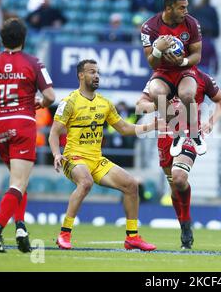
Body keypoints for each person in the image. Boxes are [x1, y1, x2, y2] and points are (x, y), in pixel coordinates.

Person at [48, 59, 158, 251]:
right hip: (73, 158)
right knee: (86, 182)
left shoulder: (105, 103)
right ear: (81, 75)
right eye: (91, 72)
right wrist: (57, 154)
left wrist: (151, 126)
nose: (96, 76)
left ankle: (132, 237)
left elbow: (124, 128)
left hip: (96, 160)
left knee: (131, 185)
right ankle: (64, 234)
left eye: (97, 72)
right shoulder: (69, 102)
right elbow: (54, 132)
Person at [0, 18, 56, 253]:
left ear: (1, 39)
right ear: (24, 40)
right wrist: (39, 102)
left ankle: (20, 227)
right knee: (18, 182)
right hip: (22, 123)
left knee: (18, 181)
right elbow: (50, 96)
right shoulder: (33, 62)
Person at [136, 68, 221, 249]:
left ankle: (186, 225)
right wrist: (158, 104)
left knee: (179, 177)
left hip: (189, 134)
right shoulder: (160, 77)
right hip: (165, 137)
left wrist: (211, 121)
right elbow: (140, 105)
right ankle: (185, 225)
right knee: (174, 185)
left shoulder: (202, 78)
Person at [140, 0, 206, 159]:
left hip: (185, 69)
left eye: (186, 7)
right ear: (169, 8)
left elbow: (197, 55)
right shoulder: (149, 27)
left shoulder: (191, 23)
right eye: (182, 8)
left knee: (187, 94)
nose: (186, 11)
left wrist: (182, 62)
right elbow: (152, 63)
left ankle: (194, 133)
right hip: (163, 71)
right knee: (155, 92)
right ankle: (177, 133)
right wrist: (157, 50)